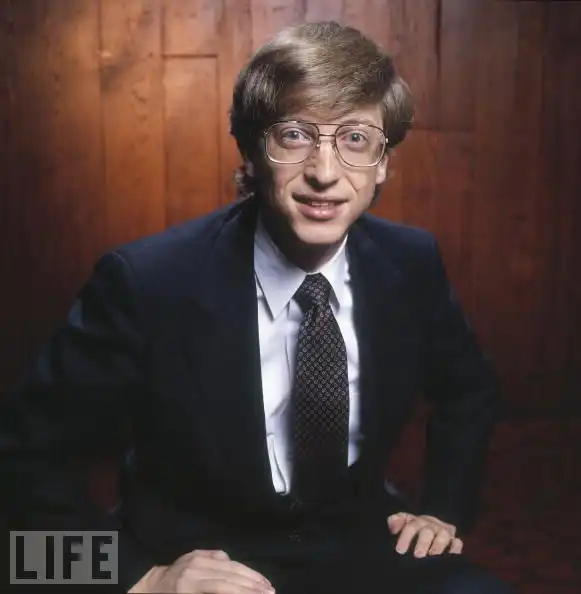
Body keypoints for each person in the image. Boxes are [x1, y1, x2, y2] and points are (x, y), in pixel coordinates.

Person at [0, 21, 514, 594]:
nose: (325, 173)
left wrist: (443, 509)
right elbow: (20, 462)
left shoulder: (410, 262)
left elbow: (468, 391)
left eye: (355, 138)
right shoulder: (146, 283)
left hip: (361, 545)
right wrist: (138, 581)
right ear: (250, 151)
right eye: (294, 135)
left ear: (383, 161)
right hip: (195, 563)